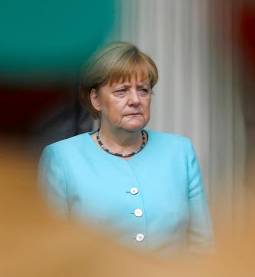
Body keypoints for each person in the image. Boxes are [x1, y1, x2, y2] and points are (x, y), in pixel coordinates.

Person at [38, 42, 215, 255]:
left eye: (143, 90)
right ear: (95, 99)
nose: (135, 100)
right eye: (121, 91)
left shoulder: (180, 151)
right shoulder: (61, 157)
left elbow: (202, 244)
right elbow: (51, 251)